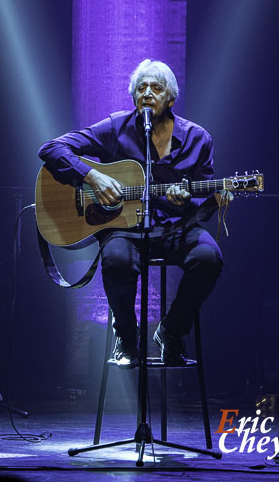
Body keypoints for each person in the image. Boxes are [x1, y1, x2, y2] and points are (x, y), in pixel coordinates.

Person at [38, 59, 223, 369]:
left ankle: (171, 331)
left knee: (209, 258)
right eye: (141, 88)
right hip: (125, 230)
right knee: (118, 259)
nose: (147, 93)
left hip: (175, 229)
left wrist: (184, 204)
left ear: (171, 99)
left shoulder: (198, 139)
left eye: (156, 88)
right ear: (134, 97)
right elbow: (51, 149)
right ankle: (126, 336)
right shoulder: (115, 128)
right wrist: (91, 177)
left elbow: (203, 198)